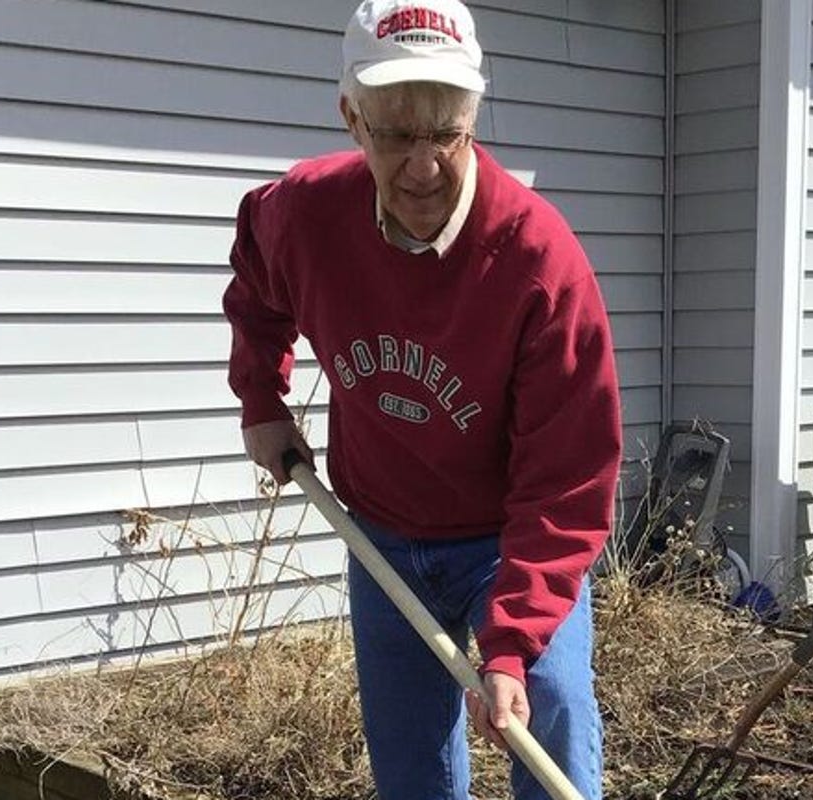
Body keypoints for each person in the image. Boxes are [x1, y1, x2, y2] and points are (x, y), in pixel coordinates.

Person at [221, 0, 621, 797]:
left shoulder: (538, 265)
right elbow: (257, 285)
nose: (424, 166)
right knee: (410, 767)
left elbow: (567, 482)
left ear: (474, 118)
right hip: (384, 534)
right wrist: (262, 401)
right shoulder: (304, 213)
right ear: (352, 118)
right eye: (397, 134)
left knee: (548, 709)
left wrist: (508, 646)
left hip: (506, 537)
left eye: (446, 133)